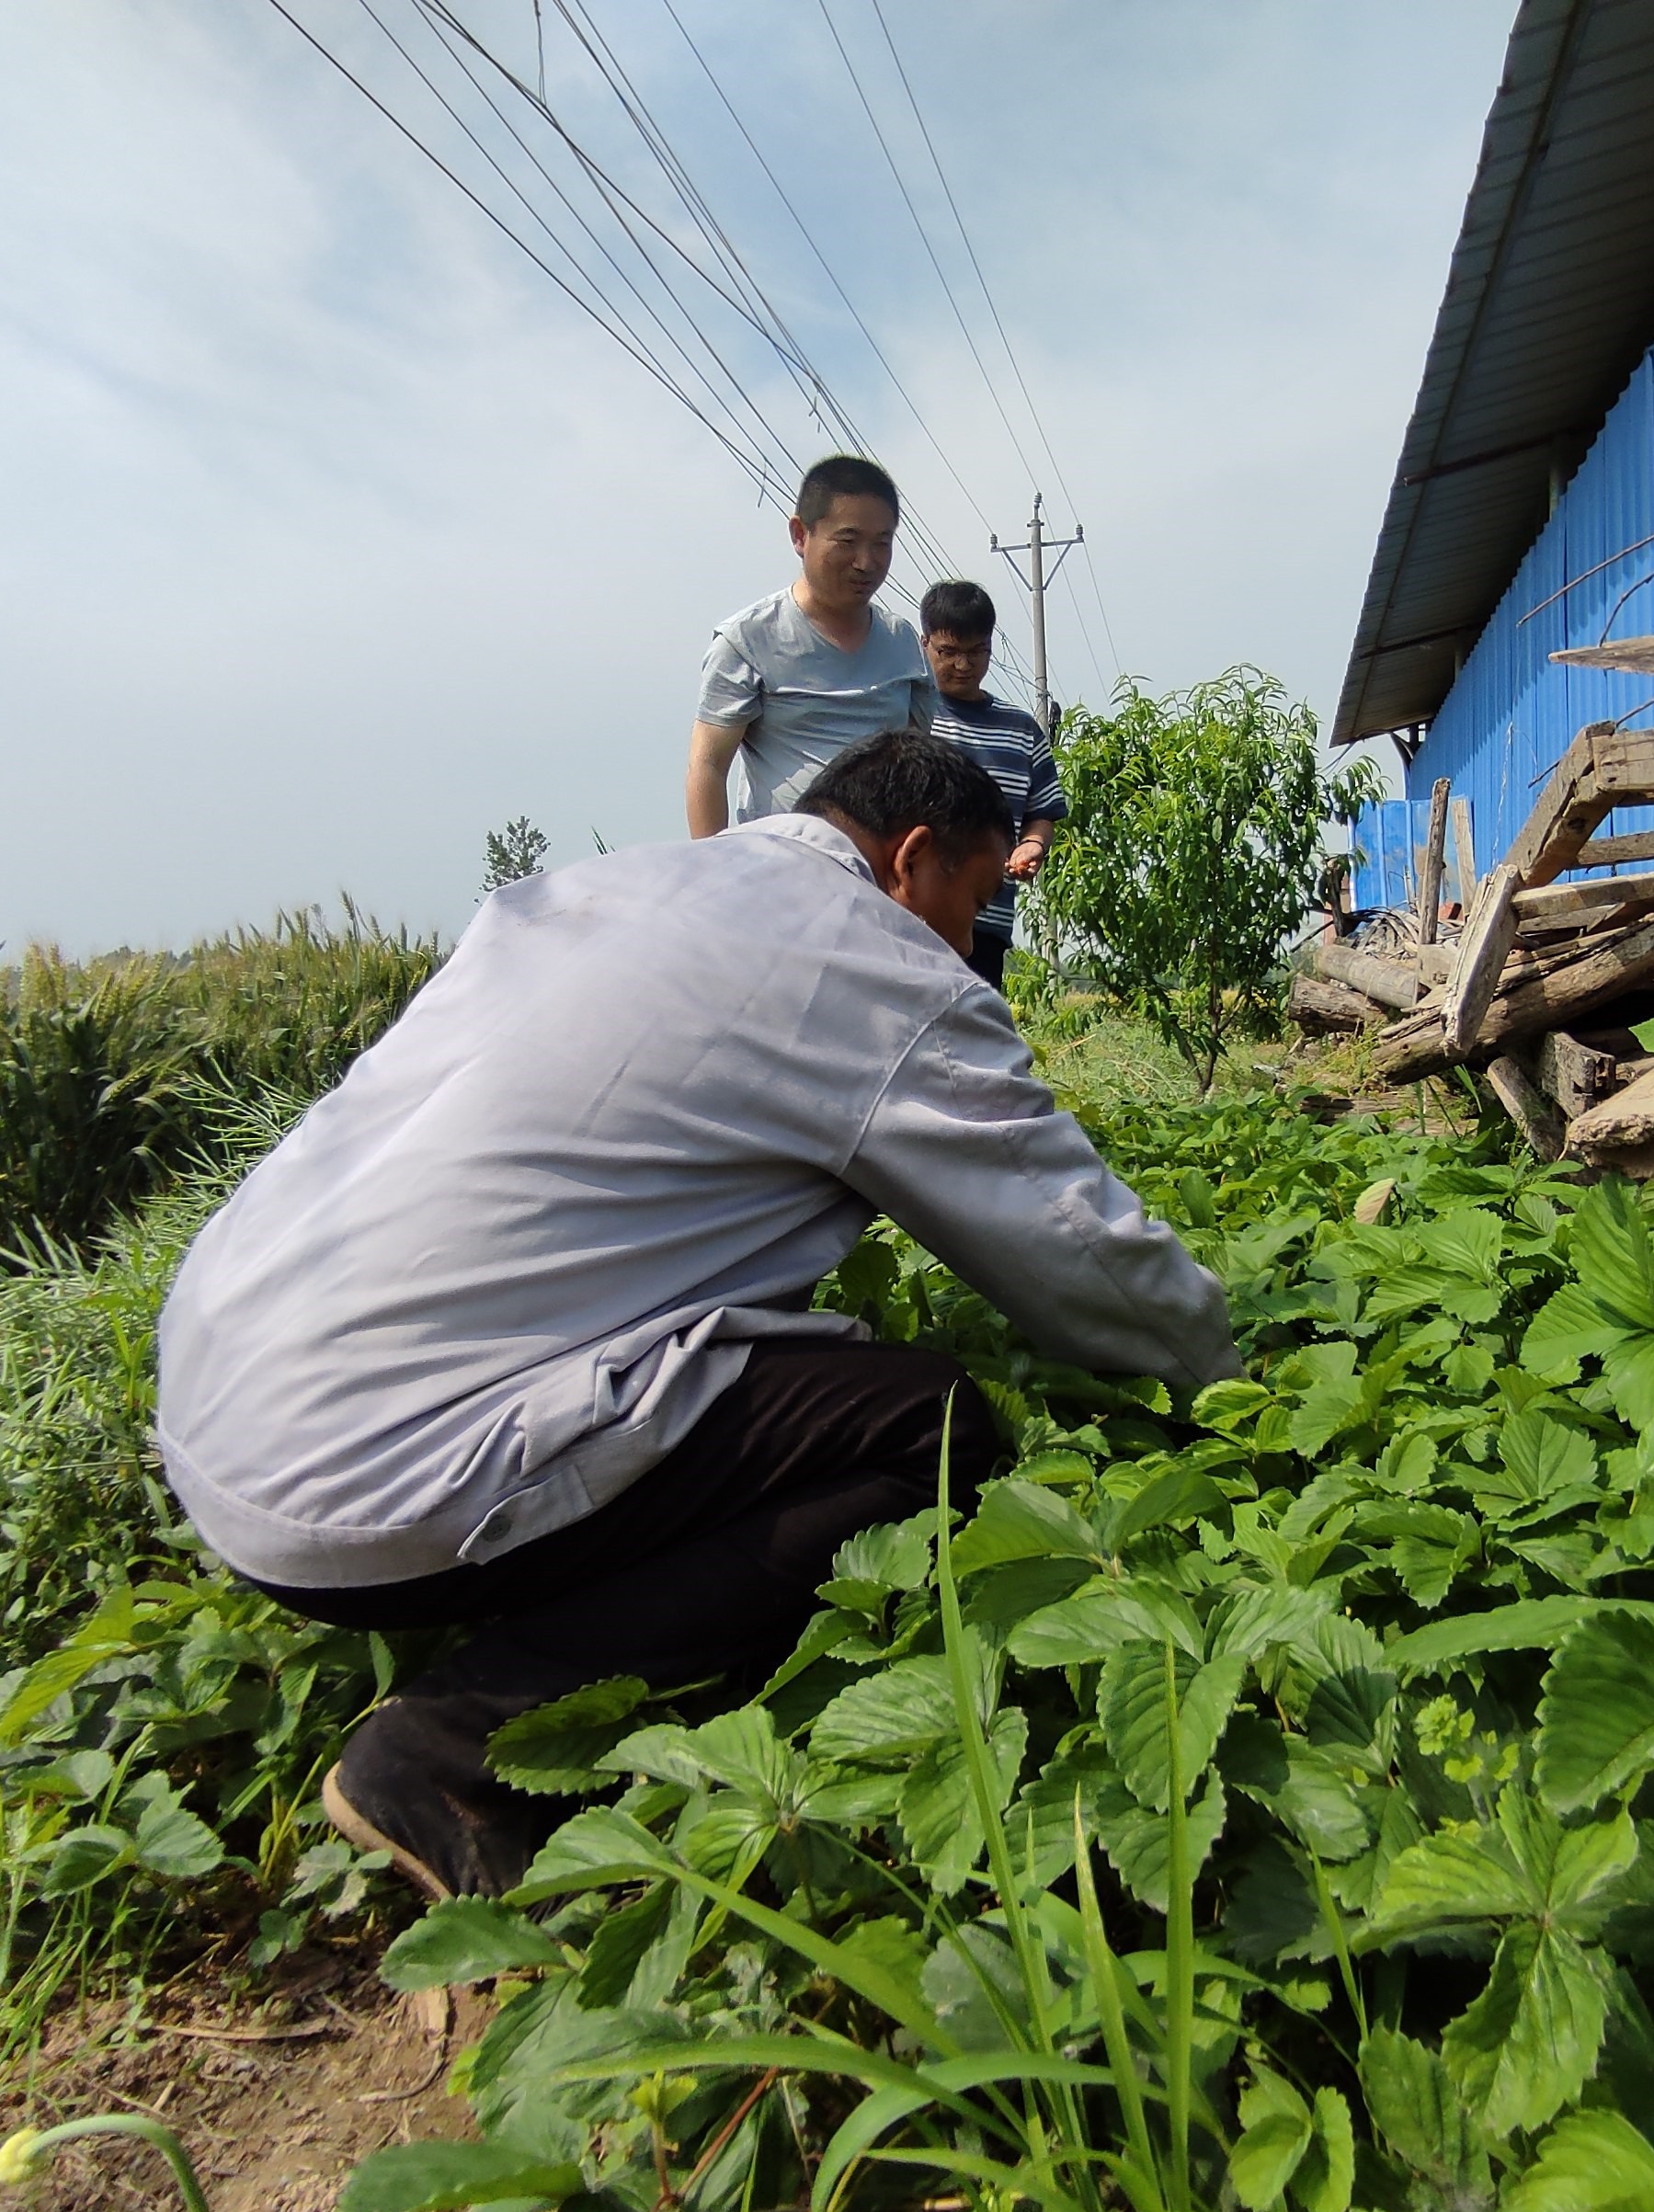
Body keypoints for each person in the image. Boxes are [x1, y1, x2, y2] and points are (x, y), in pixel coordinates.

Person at [154, 729, 1239, 1898]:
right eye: (974, 903)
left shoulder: (605, 884)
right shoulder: (876, 965)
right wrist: (1232, 1388)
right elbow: (1085, 1256)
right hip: (358, 1492)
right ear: (911, 860)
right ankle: (450, 1749)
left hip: (218, 1408)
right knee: (928, 1431)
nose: (973, 948)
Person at [687, 455, 936, 837]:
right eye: (847, 541)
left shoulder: (904, 645)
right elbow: (708, 764)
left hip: (878, 875)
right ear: (800, 535)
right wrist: (711, 874)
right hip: (780, 869)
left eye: (881, 544)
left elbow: (920, 763)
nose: (866, 562)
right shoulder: (748, 642)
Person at [919, 579, 1067, 989]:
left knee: (971, 1040)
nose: (963, 665)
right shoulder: (910, 717)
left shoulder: (1021, 730)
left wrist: (1032, 846)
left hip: (987, 919)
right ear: (925, 643)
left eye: (976, 652)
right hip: (913, 915)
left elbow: (1042, 813)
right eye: (949, 652)